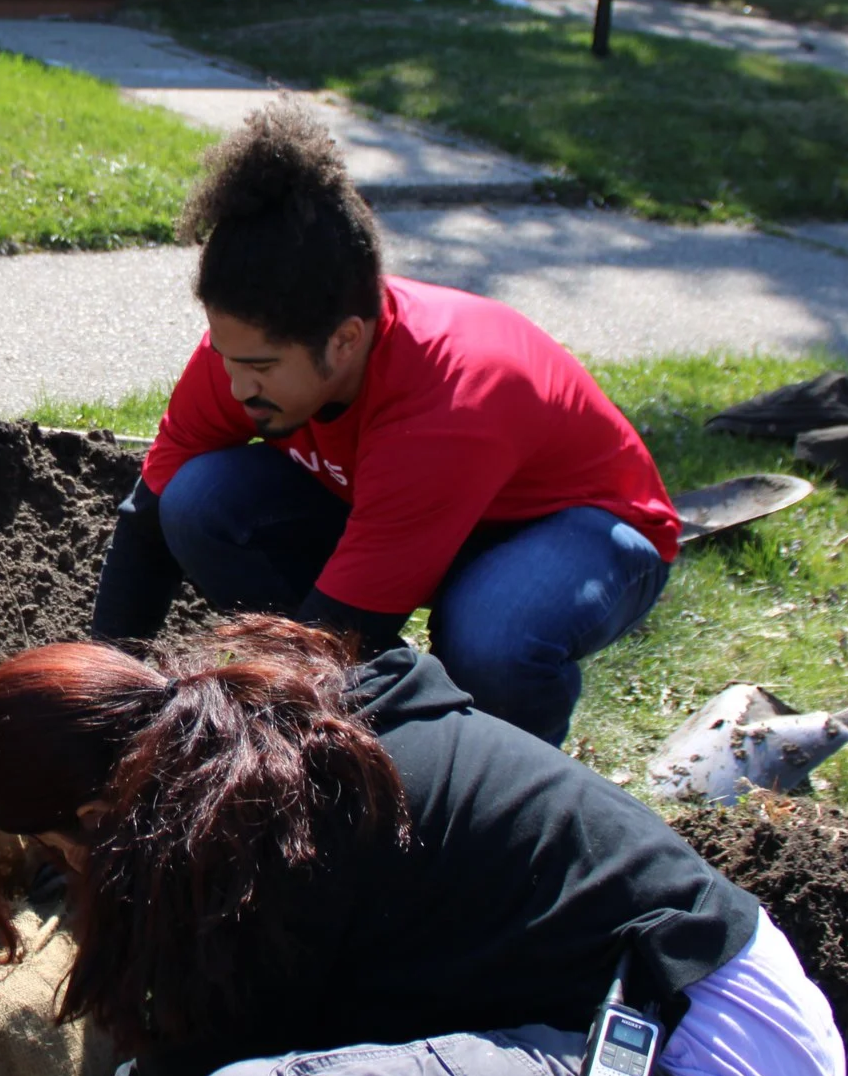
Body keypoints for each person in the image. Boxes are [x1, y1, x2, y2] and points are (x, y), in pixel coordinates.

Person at [0, 616, 843, 1076]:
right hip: (731, 1042)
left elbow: (199, 1074)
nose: (70, 868)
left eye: (58, 848)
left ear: (92, 813)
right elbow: (223, 1030)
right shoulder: (282, 739)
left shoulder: (249, 838)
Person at [90, 100, 680, 745]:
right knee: (198, 502)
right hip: (412, 510)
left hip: (580, 528)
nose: (236, 387)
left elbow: (332, 638)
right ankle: (382, 730)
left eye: (258, 367)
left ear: (345, 341)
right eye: (226, 357)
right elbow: (148, 518)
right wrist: (98, 701)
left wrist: (233, 747)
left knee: (489, 636)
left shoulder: (445, 408)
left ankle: (494, 793)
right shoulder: (247, 352)